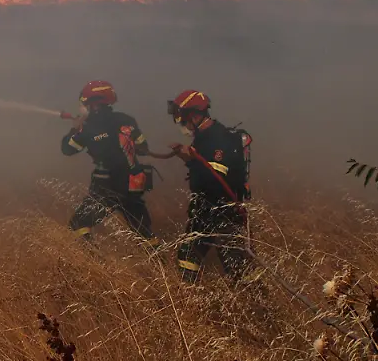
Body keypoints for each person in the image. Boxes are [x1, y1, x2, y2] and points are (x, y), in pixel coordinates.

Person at [166, 90, 255, 284]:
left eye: (183, 120)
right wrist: (188, 158)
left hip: (223, 212)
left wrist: (191, 159)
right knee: (187, 256)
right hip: (205, 211)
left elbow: (215, 179)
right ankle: (188, 297)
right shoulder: (204, 137)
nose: (182, 125)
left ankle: (257, 300)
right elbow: (205, 169)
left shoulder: (217, 139)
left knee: (238, 267)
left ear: (194, 116)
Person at [61, 81, 159, 247]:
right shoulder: (127, 120)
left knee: (78, 224)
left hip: (106, 186)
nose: (84, 108)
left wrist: (75, 128)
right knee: (142, 230)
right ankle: (158, 259)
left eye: (85, 104)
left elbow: (67, 149)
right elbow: (143, 148)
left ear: (94, 104)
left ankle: (93, 260)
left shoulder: (87, 128)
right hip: (133, 184)